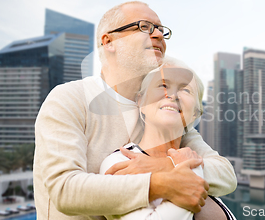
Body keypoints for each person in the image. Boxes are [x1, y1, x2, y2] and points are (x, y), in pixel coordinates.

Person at [33, 1, 237, 219]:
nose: (158, 34)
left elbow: (225, 174)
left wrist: (165, 165)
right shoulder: (70, 98)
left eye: (161, 29)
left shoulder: (163, 113)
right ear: (109, 41)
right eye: (144, 27)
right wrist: (160, 183)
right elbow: (65, 190)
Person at [100, 60, 236, 220]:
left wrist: (176, 165)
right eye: (163, 86)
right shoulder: (121, 162)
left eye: (186, 90)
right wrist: (190, 170)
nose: (173, 95)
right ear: (141, 102)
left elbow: (228, 176)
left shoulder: (194, 159)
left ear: (195, 114)